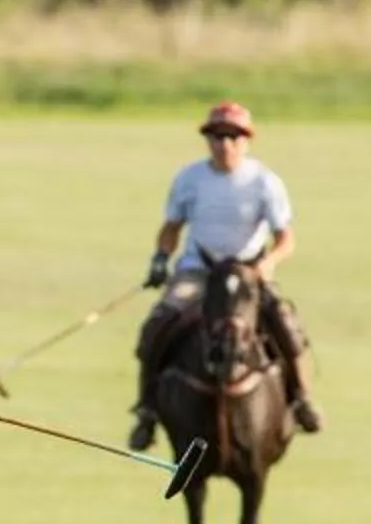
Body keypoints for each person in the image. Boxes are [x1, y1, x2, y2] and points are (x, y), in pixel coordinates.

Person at [131, 100, 321, 449]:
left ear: (247, 140)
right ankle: (146, 411)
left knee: (284, 323)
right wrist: (161, 258)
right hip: (198, 272)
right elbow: (171, 228)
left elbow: (286, 238)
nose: (225, 143)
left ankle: (301, 398)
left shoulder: (265, 182)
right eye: (217, 136)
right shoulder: (190, 178)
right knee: (159, 323)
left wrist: (267, 265)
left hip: (247, 275)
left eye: (234, 136)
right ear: (208, 139)